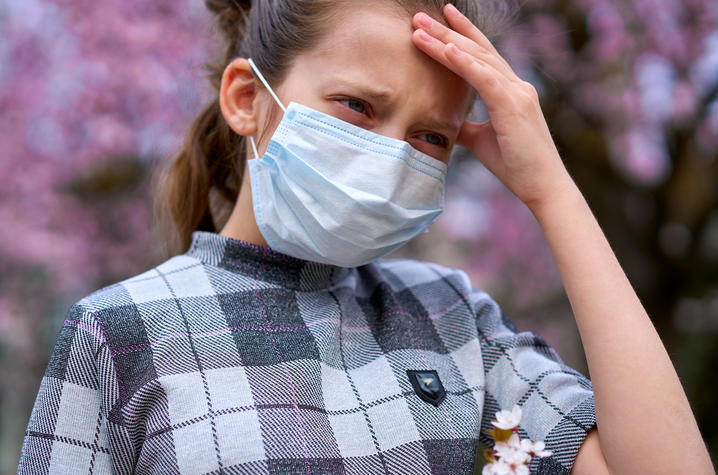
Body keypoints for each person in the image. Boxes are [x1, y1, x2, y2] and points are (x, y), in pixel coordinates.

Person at [18, 0, 713, 474]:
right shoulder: (118, 331)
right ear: (246, 99)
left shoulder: (450, 317)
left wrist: (552, 193)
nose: (389, 155)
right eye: (357, 106)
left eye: (430, 136)